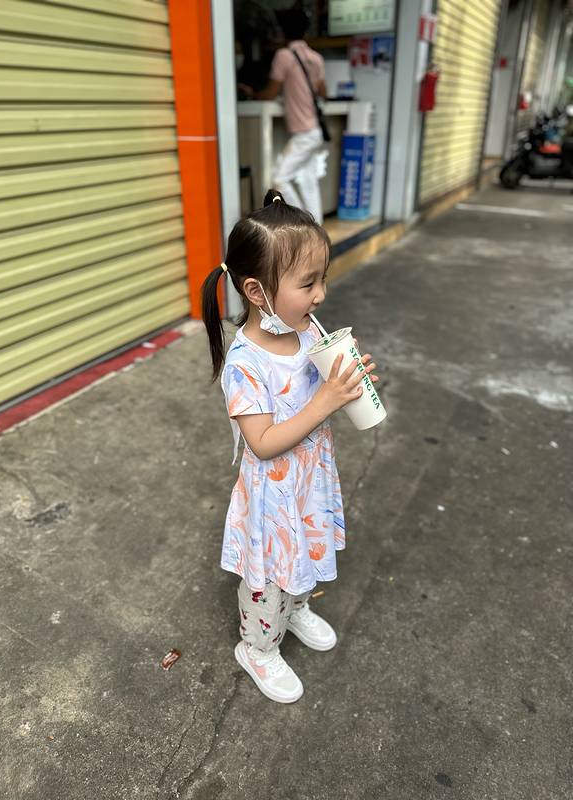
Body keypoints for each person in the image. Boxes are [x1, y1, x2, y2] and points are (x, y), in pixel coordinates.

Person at [201, 190, 380, 704]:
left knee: (306, 549)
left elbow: (316, 394)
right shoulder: (245, 364)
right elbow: (261, 443)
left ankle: (297, 608)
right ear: (256, 291)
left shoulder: (305, 332)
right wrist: (325, 401)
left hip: (308, 478)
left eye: (323, 278)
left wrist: (345, 384)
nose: (321, 294)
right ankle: (258, 647)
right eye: (308, 283)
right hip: (272, 495)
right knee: (269, 576)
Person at [239, 9, 327, 223]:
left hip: (304, 133)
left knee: (279, 179)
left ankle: (302, 224)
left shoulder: (284, 56)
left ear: (282, 32)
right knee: (308, 182)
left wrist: (252, 93)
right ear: (306, 32)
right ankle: (316, 227)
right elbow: (323, 92)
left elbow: (270, 93)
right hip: (315, 131)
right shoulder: (316, 58)